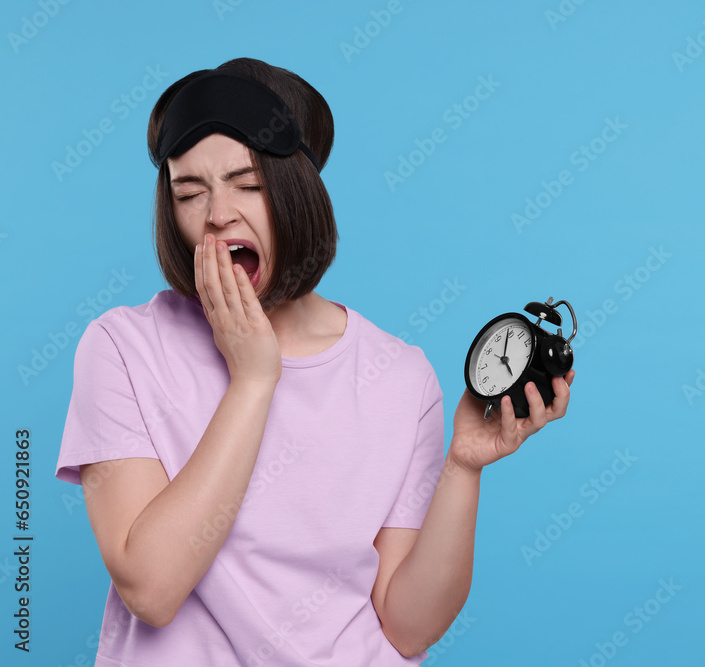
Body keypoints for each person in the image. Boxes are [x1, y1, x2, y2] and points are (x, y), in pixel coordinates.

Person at [54, 57, 574, 666]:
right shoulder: (122, 348)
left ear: (298, 193)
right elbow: (151, 588)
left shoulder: (399, 376)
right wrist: (253, 380)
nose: (217, 213)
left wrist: (462, 467)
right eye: (188, 192)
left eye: (247, 184)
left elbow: (408, 630)